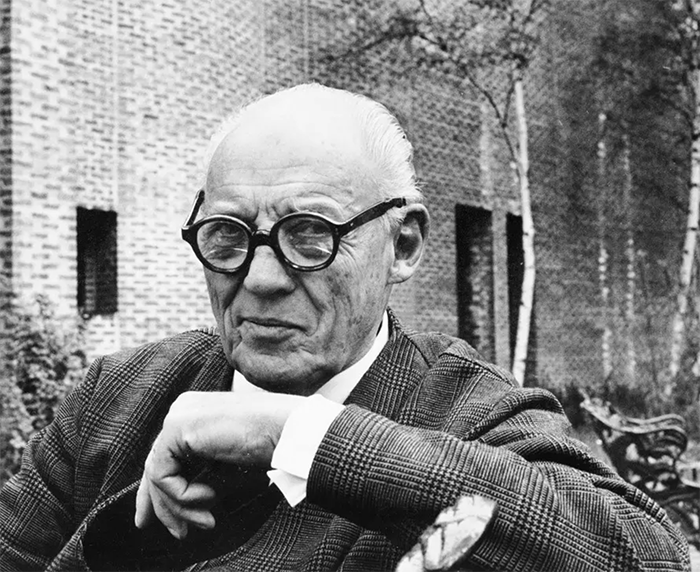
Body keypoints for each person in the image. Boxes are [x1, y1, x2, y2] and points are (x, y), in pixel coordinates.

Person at [0, 83, 689, 572]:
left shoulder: (473, 413)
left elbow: (647, 557)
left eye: (310, 234)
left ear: (404, 245)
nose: (261, 278)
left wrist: (297, 435)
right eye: (228, 235)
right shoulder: (116, 399)